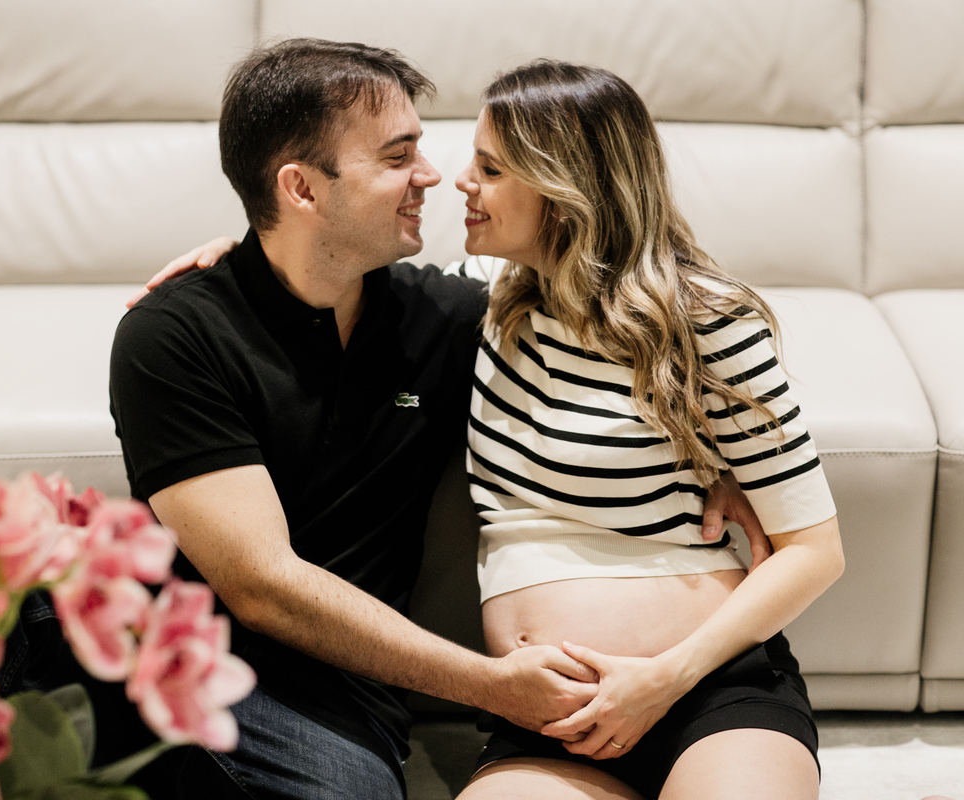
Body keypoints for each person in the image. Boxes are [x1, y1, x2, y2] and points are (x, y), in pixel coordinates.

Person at [103, 39, 765, 800]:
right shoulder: (174, 335)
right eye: (397, 157)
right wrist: (492, 686)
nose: (431, 176)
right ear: (301, 188)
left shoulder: (451, 318)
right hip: (186, 663)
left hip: (345, 702)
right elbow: (261, 586)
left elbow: (643, 304)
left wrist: (720, 453)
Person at [444, 61, 845, 800]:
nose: (461, 181)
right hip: (550, 719)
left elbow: (814, 552)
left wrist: (661, 679)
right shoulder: (489, 302)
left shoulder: (706, 322)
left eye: (491, 168)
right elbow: (327, 280)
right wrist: (225, 265)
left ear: (565, 191)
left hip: (710, 691)